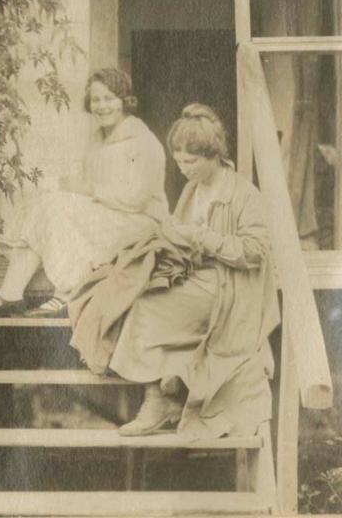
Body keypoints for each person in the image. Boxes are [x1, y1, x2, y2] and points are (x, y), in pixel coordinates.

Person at [108, 103, 280, 438]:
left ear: (213, 154)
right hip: (199, 277)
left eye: (191, 161)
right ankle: (164, 397)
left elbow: (256, 252)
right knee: (132, 289)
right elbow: (182, 233)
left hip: (232, 287)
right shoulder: (192, 189)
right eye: (180, 161)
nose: (184, 169)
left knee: (148, 307)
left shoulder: (243, 193)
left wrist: (199, 237)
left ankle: (156, 401)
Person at [0, 68, 168, 318]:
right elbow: (85, 183)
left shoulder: (142, 141)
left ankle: (69, 292)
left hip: (140, 223)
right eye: (95, 99)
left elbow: (135, 199)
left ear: (125, 101)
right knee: (43, 202)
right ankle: (11, 293)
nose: (102, 106)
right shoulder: (99, 139)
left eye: (109, 98)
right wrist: (64, 185)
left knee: (57, 209)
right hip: (110, 214)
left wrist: (87, 190)